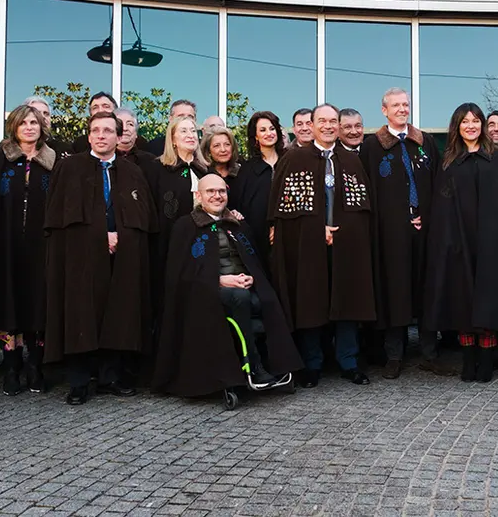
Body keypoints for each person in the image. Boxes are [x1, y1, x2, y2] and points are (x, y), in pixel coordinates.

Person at [152, 174, 303, 397]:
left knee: (267, 297)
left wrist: (253, 277)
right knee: (240, 298)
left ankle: (282, 367)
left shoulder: (238, 224)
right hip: (207, 292)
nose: (217, 196)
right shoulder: (186, 226)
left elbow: (254, 260)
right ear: (198, 195)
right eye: (210, 191)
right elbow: (179, 272)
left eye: (221, 191)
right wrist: (218, 280)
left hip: (243, 286)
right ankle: (253, 365)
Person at [44, 111, 157, 405]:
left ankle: (110, 377)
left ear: (119, 136)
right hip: (81, 257)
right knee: (82, 313)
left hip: (123, 256)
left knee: (117, 314)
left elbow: (145, 218)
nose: (101, 136)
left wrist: (122, 236)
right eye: (96, 130)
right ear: (89, 135)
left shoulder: (133, 172)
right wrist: (99, 237)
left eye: (108, 131)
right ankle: (80, 381)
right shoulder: (69, 167)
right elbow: (60, 219)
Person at [268, 103, 375, 387]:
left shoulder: (351, 160)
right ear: (311, 125)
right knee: (310, 300)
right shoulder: (295, 159)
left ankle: (348, 361)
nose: (328, 126)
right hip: (307, 245)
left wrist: (342, 231)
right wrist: (317, 229)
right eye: (322, 121)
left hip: (346, 245)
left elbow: (363, 206)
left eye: (333, 121)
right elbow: (284, 207)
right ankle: (312, 363)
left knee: (348, 300)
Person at [424, 103, 498, 382]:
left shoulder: (496, 159)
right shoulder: (449, 162)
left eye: (476, 121)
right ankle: (468, 360)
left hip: (491, 244)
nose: (471, 126)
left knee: (488, 303)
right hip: (459, 243)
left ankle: (487, 361)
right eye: (465, 121)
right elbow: (442, 205)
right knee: (464, 303)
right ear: (457, 126)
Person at [0, 104, 59, 395]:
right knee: (8, 303)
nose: (30, 127)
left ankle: (35, 365)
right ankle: (11, 367)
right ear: (14, 127)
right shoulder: (0, 159)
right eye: (24, 123)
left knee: (37, 305)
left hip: (40, 248)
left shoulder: (53, 161)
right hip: (6, 246)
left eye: (34, 122)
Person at [360, 88, 444, 379]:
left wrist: (426, 217)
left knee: (426, 289)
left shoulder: (426, 143)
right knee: (394, 290)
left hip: (425, 231)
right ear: (384, 110)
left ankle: (429, 353)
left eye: (405, 104)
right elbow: (369, 192)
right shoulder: (372, 146)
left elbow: (437, 185)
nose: (402, 109)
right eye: (395, 105)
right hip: (390, 233)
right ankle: (394, 355)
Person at [146, 116, 211, 328]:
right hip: (168, 245)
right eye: (183, 131)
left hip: (201, 243)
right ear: (173, 139)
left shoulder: (206, 170)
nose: (190, 135)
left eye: (193, 131)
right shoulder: (157, 169)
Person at [228, 111, 284, 266]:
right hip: (258, 237)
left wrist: (278, 227)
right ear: (255, 137)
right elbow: (239, 205)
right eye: (263, 130)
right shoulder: (247, 169)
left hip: (288, 233)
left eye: (272, 129)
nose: (269, 133)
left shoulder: (289, 162)